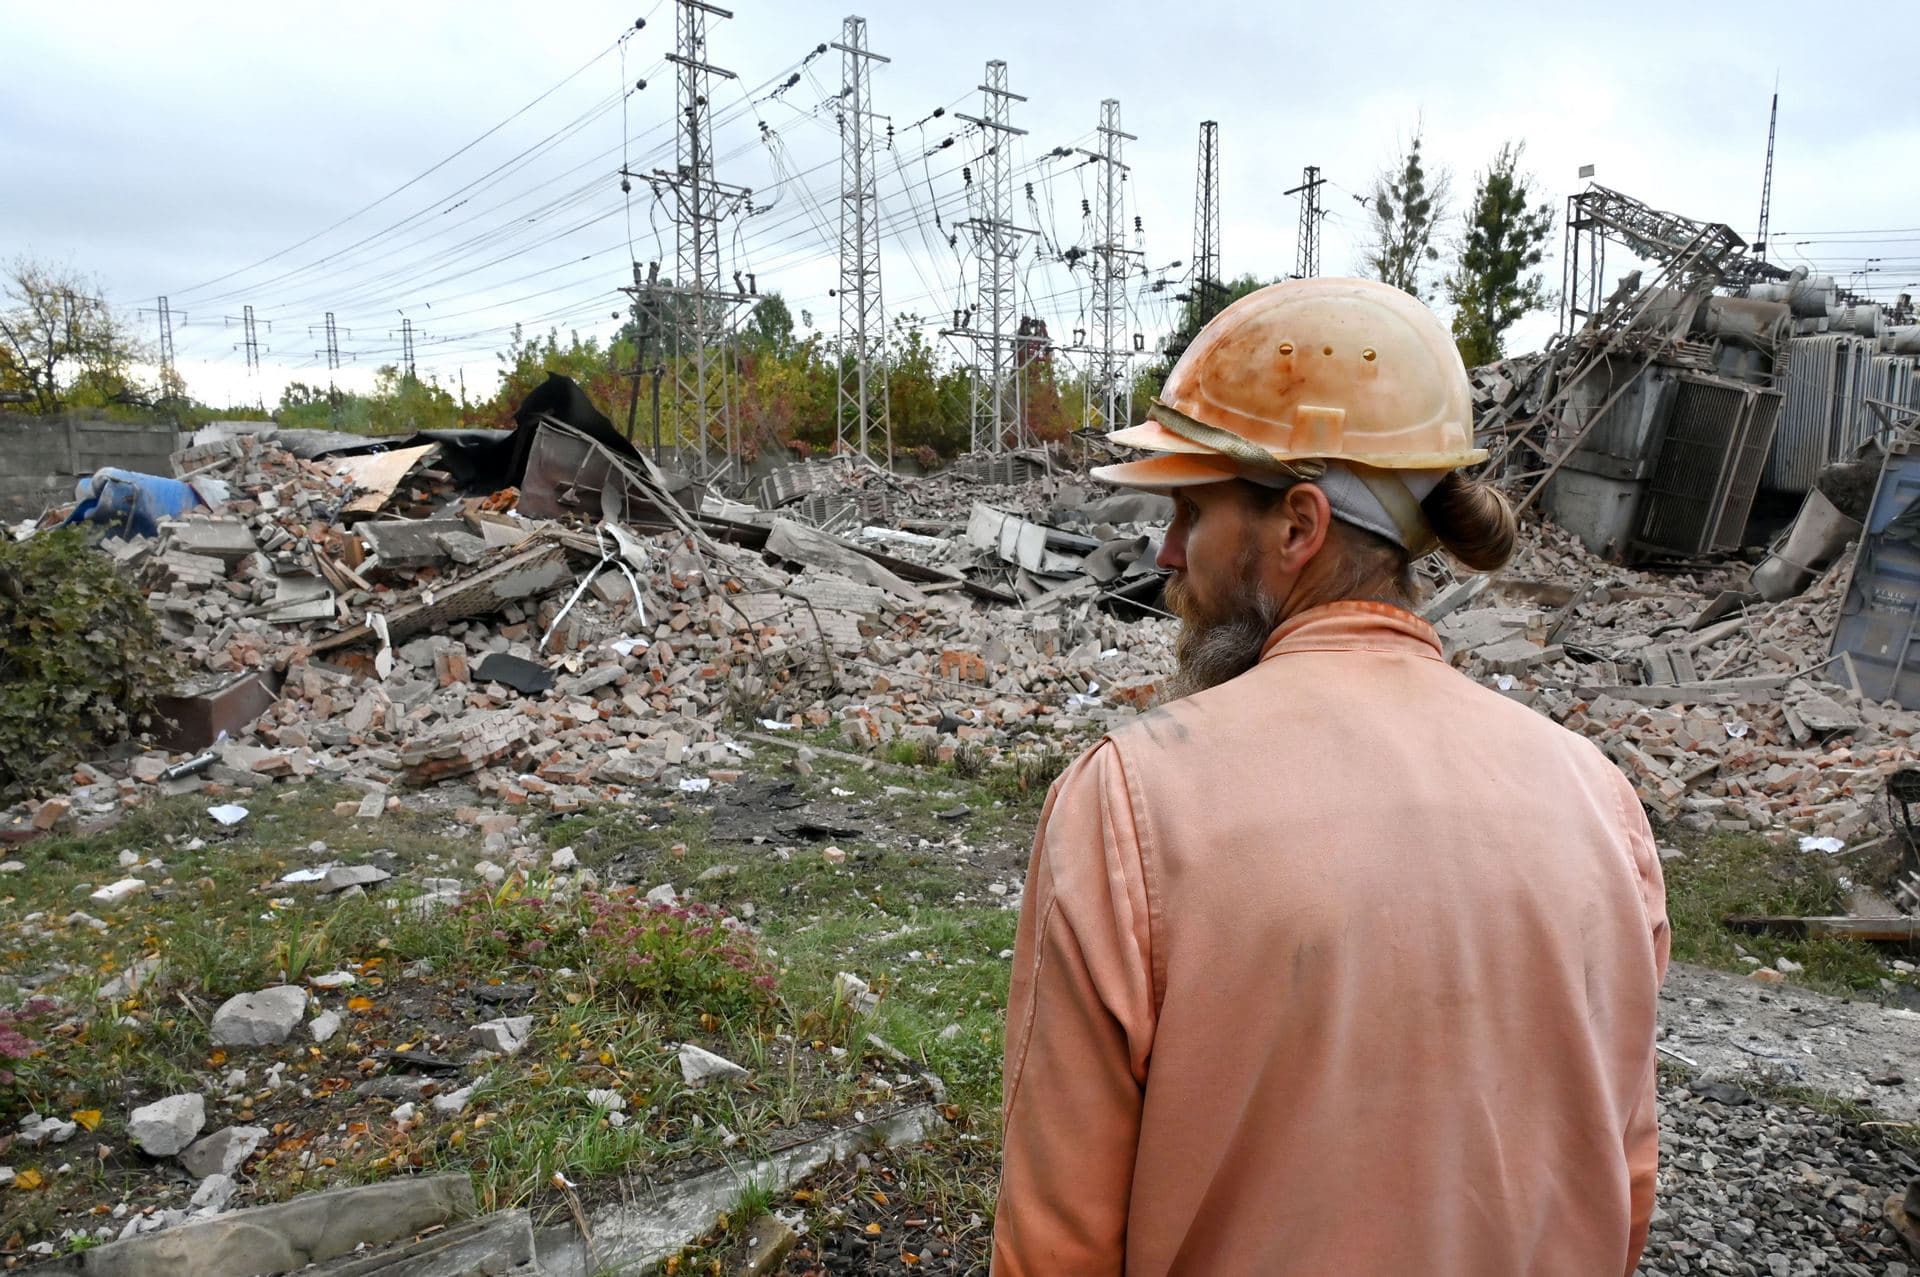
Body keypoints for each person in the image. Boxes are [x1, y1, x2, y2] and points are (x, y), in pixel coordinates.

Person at [992, 278, 1670, 1276]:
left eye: (1191, 509)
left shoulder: (1130, 805)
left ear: (1298, 526)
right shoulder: (1601, 807)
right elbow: (1623, 1195)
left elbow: (1056, 1248)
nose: (1168, 553)